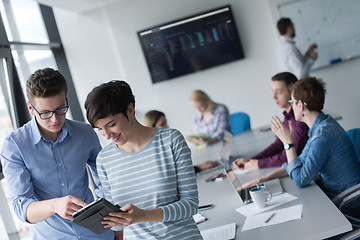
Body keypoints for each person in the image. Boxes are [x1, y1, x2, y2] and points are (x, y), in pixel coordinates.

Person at [0, 68, 115, 239]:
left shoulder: (84, 133)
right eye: (45, 113)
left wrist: (117, 226)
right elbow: (21, 207)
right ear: (31, 108)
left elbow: (108, 183)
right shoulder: (14, 146)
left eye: (61, 109)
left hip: (98, 235)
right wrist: (54, 206)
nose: (55, 119)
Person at [84, 80, 202, 239]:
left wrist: (142, 216)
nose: (106, 135)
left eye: (111, 124)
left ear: (130, 109)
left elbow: (190, 205)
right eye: (99, 129)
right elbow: (118, 224)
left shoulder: (171, 141)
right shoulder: (104, 160)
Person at [240, 77, 360, 210]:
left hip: (346, 202)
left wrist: (288, 143)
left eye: (292, 102)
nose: (291, 106)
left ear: (301, 105)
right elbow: (299, 161)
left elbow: (300, 180)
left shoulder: (322, 136)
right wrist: (262, 180)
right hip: (332, 193)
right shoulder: (322, 124)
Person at [233, 72, 309, 170]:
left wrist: (258, 164)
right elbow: (278, 145)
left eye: (279, 92)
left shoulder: (299, 120)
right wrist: (251, 160)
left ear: (292, 91)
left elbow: (291, 155)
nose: (274, 97)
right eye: (273, 91)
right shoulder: (288, 115)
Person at [143, 109, 218, 173]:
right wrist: (198, 168)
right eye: (163, 124)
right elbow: (173, 174)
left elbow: (177, 170)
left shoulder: (165, 144)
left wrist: (198, 167)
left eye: (166, 122)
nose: (167, 126)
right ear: (152, 128)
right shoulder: (153, 151)